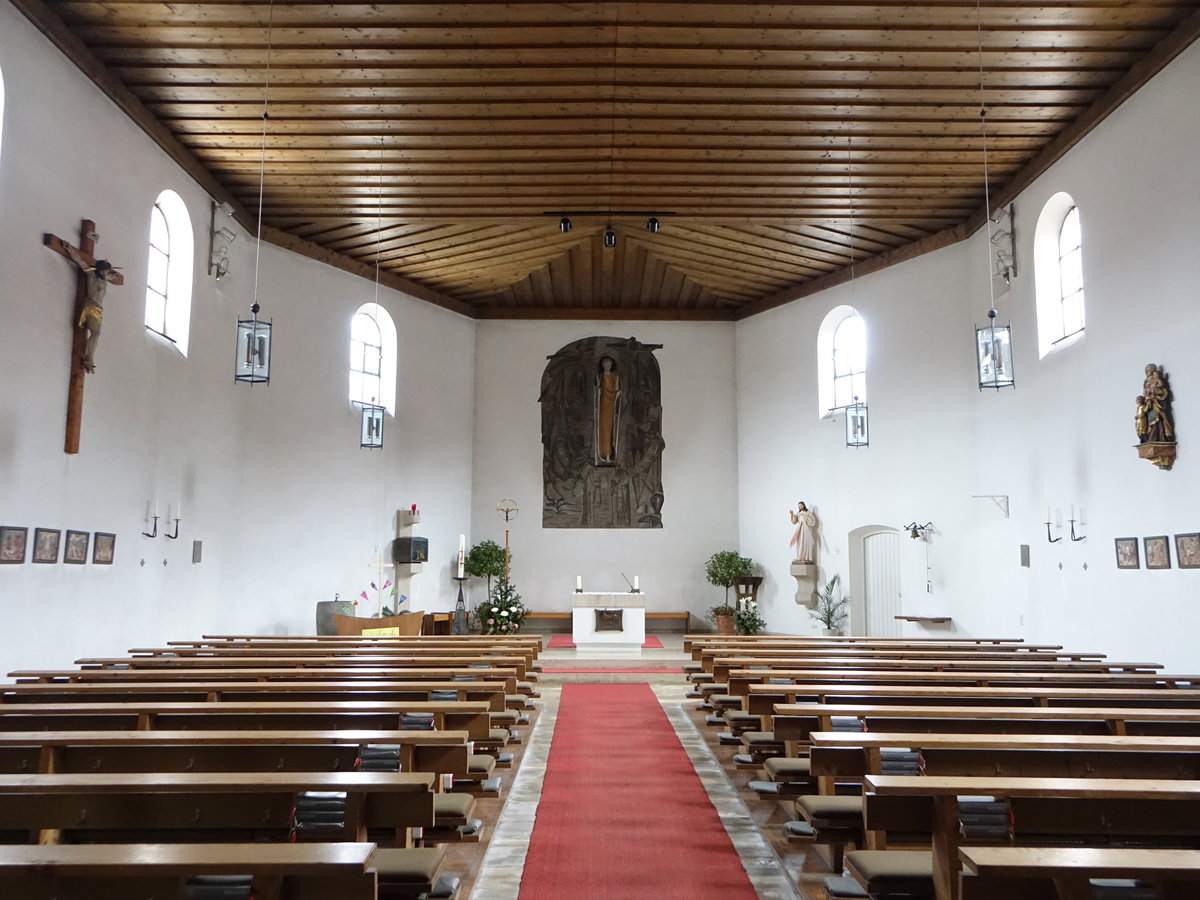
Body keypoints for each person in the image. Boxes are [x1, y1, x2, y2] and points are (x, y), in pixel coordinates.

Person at [63, 245, 120, 374]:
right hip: (91, 306)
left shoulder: (105, 280)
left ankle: (89, 357)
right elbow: (80, 261)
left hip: (99, 309)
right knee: (95, 333)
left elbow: (115, 276)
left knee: (96, 334)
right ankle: (89, 358)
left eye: (108, 270)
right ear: (100, 270)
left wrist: (113, 273)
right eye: (105, 270)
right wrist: (69, 250)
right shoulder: (91, 276)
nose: (107, 272)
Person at [1136, 363, 1174, 444]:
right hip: (1149, 405)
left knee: (1158, 419)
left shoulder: (1158, 381)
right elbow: (1145, 393)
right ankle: (1151, 437)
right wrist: (1147, 397)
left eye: (1149, 370)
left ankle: (1160, 437)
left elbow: (1162, 392)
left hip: (1157, 403)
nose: (1148, 372)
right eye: (1146, 371)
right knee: (1149, 421)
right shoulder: (1146, 382)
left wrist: (1153, 392)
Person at [595, 356, 621, 463]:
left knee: (610, 429)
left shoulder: (616, 377)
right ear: (602, 365)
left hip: (611, 405)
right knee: (602, 428)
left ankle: (609, 453)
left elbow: (617, 390)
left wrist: (617, 395)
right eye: (605, 364)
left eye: (609, 364)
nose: (607, 366)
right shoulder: (600, 376)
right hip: (602, 405)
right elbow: (597, 390)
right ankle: (602, 453)